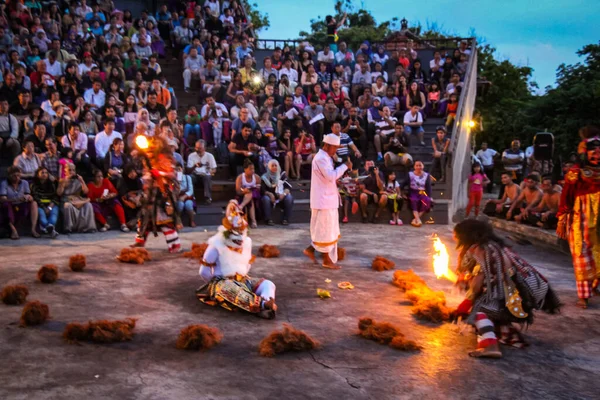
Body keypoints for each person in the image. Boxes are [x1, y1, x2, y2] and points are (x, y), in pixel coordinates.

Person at [452, 219, 561, 358]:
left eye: (456, 234)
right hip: (526, 294)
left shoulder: (481, 250)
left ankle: (491, 346)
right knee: (488, 299)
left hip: (521, 297)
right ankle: (498, 327)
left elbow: (477, 284)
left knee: (479, 309)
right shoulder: (494, 246)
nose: (454, 237)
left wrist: (465, 304)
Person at [196, 200, 277, 319]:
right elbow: (204, 272)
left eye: (242, 233)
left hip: (243, 280)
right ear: (227, 233)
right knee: (229, 288)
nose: (240, 238)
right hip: (222, 282)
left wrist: (240, 279)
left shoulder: (247, 242)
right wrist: (215, 284)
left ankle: (266, 303)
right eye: (236, 233)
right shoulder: (216, 245)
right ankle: (262, 305)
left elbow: (247, 265)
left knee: (268, 284)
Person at [557, 130, 600, 308]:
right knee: (582, 254)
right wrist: (562, 217)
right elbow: (567, 196)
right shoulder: (576, 172)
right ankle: (584, 295)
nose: (597, 155)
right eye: (593, 151)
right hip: (581, 218)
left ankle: (595, 285)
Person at [304, 134, 351, 269]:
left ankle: (311, 250)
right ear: (327, 145)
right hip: (323, 201)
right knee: (325, 230)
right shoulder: (321, 158)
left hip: (327, 199)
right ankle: (326, 260)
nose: (335, 150)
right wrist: (344, 167)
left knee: (325, 229)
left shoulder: (325, 158)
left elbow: (329, 178)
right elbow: (330, 176)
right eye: (335, 147)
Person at [132, 136, 182, 253]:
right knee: (144, 219)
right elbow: (145, 173)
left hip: (162, 194)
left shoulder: (163, 157)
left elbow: (171, 174)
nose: (149, 151)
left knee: (164, 220)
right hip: (149, 194)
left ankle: (175, 245)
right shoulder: (148, 159)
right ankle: (139, 242)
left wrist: (158, 173)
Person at [0, 166, 40, 239]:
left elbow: (28, 194)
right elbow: (3, 199)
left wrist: (29, 198)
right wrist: (16, 199)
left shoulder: (24, 183)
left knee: (34, 203)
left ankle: (33, 229)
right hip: (10, 204)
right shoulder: (4, 183)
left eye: (18, 175)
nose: (17, 177)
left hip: (21, 204)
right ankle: (13, 230)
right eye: (14, 176)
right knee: (5, 205)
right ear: (9, 176)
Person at [57, 163, 97, 233]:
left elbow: (86, 191)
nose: (72, 172)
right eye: (69, 170)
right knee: (68, 205)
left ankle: (89, 228)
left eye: (73, 170)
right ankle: (68, 228)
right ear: (65, 171)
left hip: (77, 199)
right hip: (67, 200)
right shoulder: (62, 180)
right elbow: (59, 193)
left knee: (88, 205)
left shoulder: (78, 180)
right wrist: (64, 182)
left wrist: (82, 181)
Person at [87, 168, 129, 233]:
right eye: (98, 177)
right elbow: (90, 198)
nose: (101, 178)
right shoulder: (91, 185)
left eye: (101, 176)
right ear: (94, 178)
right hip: (98, 204)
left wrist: (110, 195)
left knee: (115, 202)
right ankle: (105, 224)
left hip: (107, 202)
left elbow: (115, 192)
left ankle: (123, 224)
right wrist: (98, 199)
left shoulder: (106, 181)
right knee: (92, 206)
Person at [261, 159, 293, 226]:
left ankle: (285, 219)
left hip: (281, 196)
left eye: (276, 165)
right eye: (272, 166)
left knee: (289, 198)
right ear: (269, 167)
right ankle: (268, 219)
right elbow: (262, 190)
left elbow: (288, 187)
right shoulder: (265, 177)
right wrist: (269, 194)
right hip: (270, 197)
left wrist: (284, 194)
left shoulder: (282, 175)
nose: (274, 167)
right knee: (265, 199)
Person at [31, 166, 60, 238]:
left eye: (46, 173)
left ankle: (48, 228)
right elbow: (36, 198)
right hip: (40, 205)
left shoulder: (52, 185)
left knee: (53, 217)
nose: (44, 174)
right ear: (38, 175)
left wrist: (50, 207)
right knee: (42, 216)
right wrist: (44, 207)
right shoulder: (33, 185)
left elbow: (56, 197)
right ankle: (51, 230)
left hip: (51, 204)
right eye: (42, 173)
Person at [402, 160, 433, 227]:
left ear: (423, 166)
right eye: (417, 165)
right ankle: (418, 220)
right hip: (413, 192)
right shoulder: (410, 174)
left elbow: (428, 187)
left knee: (427, 200)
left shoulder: (426, 175)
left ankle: (415, 219)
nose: (418, 167)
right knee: (414, 200)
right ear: (414, 166)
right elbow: (403, 184)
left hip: (423, 192)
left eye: (420, 165)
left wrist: (430, 196)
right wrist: (401, 193)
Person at [186, 139, 217, 204]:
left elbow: (214, 169)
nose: (197, 149)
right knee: (190, 177)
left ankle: (208, 198)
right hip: (195, 174)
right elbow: (188, 170)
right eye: (196, 148)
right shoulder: (191, 155)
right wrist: (195, 166)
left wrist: (210, 173)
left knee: (207, 177)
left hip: (205, 174)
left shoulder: (210, 156)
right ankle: (192, 197)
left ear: (204, 148)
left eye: (199, 148)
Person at [235, 158, 261, 229]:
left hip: (255, 196)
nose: (252, 171)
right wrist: (244, 191)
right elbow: (238, 191)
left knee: (251, 196)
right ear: (245, 169)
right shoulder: (240, 178)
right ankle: (253, 221)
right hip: (242, 196)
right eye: (250, 169)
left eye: (253, 169)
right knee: (250, 199)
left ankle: (241, 206)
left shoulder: (257, 177)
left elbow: (259, 189)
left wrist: (254, 188)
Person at [175, 163, 196, 228]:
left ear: (182, 169)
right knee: (180, 205)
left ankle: (192, 220)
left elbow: (191, 190)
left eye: (179, 169)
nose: (178, 171)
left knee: (188, 204)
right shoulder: (173, 179)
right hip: (178, 196)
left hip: (187, 196)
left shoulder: (187, 177)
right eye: (176, 169)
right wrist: (178, 183)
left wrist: (184, 196)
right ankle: (178, 221)